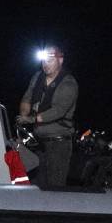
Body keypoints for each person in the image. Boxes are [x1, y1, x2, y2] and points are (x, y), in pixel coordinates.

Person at [17, 44, 78, 187]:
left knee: (54, 187)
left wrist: (31, 119)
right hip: (39, 143)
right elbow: (27, 97)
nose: (46, 64)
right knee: (37, 185)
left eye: (50, 60)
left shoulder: (68, 83)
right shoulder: (38, 77)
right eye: (43, 60)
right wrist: (23, 117)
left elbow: (58, 111)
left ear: (60, 60)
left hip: (58, 144)